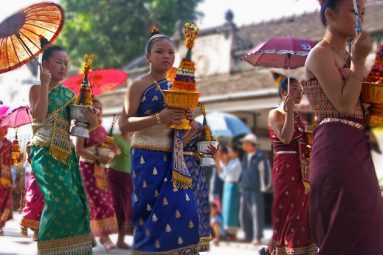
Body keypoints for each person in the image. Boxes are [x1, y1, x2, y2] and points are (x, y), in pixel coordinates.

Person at [302, 0, 383, 253]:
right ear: (330, 14)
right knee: (346, 223)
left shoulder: (345, 57)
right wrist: (359, 61)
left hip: (357, 145)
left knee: (369, 221)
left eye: (363, 13)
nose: (360, 19)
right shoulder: (320, 54)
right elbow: (344, 105)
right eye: (353, 11)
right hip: (335, 146)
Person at [119, 28, 200, 254]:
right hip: (146, 155)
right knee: (150, 212)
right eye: (159, 52)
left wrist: (190, 126)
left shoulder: (177, 88)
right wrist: (159, 117)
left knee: (184, 208)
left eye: (171, 52)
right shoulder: (138, 85)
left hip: (173, 158)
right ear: (148, 57)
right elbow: (124, 124)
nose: (166, 56)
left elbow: (180, 138)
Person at [29, 44, 98, 254]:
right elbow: (39, 117)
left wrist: (92, 121)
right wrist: (44, 84)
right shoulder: (35, 89)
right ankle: (48, 249)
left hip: (66, 154)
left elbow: (81, 129)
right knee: (58, 200)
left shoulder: (69, 95)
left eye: (66, 63)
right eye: (59, 62)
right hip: (43, 150)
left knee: (76, 202)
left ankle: (70, 249)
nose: (63, 67)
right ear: (45, 64)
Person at [264, 77, 317, 254]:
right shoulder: (275, 114)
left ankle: (302, 248)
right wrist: (289, 112)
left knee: (303, 210)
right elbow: (285, 138)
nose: (300, 93)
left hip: (302, 168)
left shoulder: (299, 117)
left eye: (301, 90)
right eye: (295, 89)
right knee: (289, 208)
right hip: (285, 166)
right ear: (283, 93)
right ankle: (287, 249)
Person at [76, 98, 119, 251]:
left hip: (101, 171)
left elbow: (116, 151)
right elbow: (79, 151)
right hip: (86, 170)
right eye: (94, 108)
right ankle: (99, 237)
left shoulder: (103, 130)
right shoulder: (82, 127)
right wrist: (97, 158)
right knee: (91, 203)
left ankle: (103, 236)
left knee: (104, 202)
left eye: (100, 108)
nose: (98, 111)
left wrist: (112, 151)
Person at [183, 122, 216, 251]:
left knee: (198, 205)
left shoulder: (200, 125)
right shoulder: (174, 120)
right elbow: (173, 147)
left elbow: (203, 149)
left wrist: (211, 151)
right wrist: (191, 131)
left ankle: (194, 245)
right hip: (178, 166)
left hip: (196, 168)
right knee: (183, 206)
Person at [239, 133, 272, 245]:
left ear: (251, 144)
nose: (243, 145)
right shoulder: (245, 156)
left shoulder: (260, 157)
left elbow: (265, 173)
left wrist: (264, 188)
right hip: (245, 189)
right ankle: (248, 235)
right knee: (244, 214)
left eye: (245, 143)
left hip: (255, 189)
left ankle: (257, 237)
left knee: (257, 214)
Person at [106, 129, 133, 249]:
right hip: (115, 175)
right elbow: (108, 152)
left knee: (127, 208)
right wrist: (114, 150)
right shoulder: (115, 136)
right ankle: (105, 236)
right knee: (118, 207)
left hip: (129, 178)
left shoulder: (133, 139)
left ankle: (120, 240)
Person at [214, 145, 241, 240]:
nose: (229, 154)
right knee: (226, 209)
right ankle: (227, 232)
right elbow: (222, 175)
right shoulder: (231, 163)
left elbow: (226, 170)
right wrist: (218, 160)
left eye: (231, 152)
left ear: (236, 153)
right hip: (227, 186)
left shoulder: (237, 163)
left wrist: (221, 160)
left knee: (231, 209)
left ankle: (232, 233)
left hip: (233, 186)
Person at [20, 143, 44, 241]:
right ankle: (35, 230)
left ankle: (38, 232)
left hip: (49, 177)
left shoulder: (54, 141)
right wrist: (28, 151)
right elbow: (30, 161)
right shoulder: (32, 143)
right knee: (34, 201)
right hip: (36, 177)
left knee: (44, 204)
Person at [0, 126, 13, 235]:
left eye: (4, 127)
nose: (3, 130)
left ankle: (0, 225)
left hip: (5, 177)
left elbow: (16, 160)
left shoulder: (10, 144)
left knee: (3, 201)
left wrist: (18, 153)